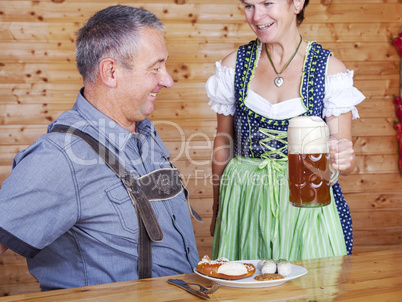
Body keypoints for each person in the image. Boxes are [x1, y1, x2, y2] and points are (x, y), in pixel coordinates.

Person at [0, 5, 200, 290]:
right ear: (110, 72)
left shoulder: (144, 131)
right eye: (155, 68)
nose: (167, 80)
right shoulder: (60, 156)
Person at [207, 0, 365, 261]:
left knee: (310, 291)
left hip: (307, 201)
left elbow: (342, 158)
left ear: (297, 3)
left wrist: (345, 158)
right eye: (249, 5)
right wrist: (218, 208)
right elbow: (223, 144)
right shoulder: (234, 66)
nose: (257, 16)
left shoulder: (329, 71)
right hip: (245, 202)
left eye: (268, 3)